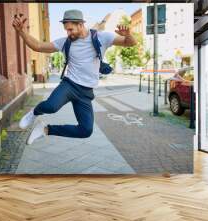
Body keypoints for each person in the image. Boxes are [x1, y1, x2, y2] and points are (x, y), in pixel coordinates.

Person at [13, 9, 136, 145]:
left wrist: (128, 35)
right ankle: (34, 113)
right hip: (69, 85)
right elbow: (38, 46)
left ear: (80, 24)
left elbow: (130, 43)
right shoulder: (66, 42)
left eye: (71, 29)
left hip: (86, 92)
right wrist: (21, 32)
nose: (68, 33)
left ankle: (45, 129)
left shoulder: (101, 37)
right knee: (50, 106)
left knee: (86, 130)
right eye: (66, 30)